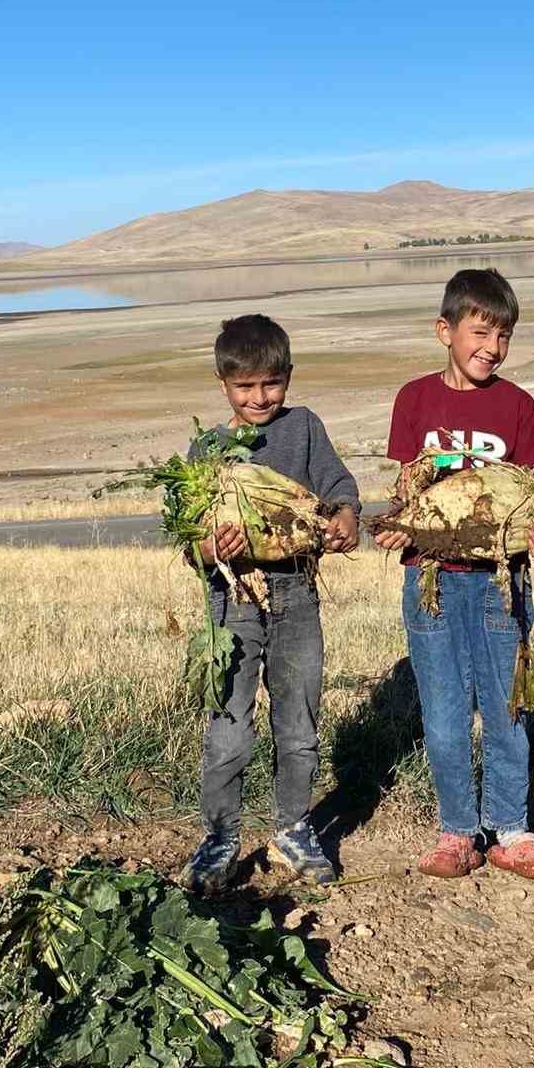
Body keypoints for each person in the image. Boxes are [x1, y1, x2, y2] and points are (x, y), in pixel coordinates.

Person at [374, 268, 534, 880]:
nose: (492, 347)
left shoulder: (518, 406)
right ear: (444, 331)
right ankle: (458, 831)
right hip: (431, 581)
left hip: (499, 585)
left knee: (508, 706)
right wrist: (398, 524)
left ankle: (512, 831)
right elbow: (406, 490)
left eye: (504, 335)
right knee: (445, 710)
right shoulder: (414, 400)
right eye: (480, 332)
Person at [182, 314, 359, 893]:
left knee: (299, 719)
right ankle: (220, 835)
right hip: (233, 600)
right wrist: (210, 547)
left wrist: (344, 519)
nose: (260, 398)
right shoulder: (207, 449)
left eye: (271, 384)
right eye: (245, 387)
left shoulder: (305, 428)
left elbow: (338, 487)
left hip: (298, 593)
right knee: (229, 723)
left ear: (288, 377)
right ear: (222, 383)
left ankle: (293, 827)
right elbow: (191, 539)